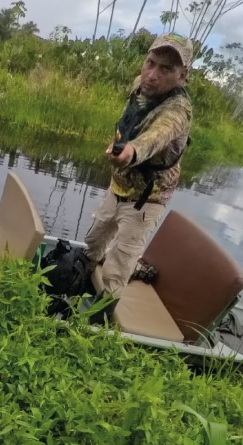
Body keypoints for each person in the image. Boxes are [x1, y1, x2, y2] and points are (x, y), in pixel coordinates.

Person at [82, 33, 193, 313]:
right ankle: (80, 278)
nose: (152, 75)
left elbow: (156, 136)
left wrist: (130, 152)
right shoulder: (140, 86)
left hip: (147, 198)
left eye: (165, 69)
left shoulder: (178, 111)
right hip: (119, 185)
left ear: (182, 75)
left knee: (118, 264)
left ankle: (100, 320)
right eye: (150, 63)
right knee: (94, 241)